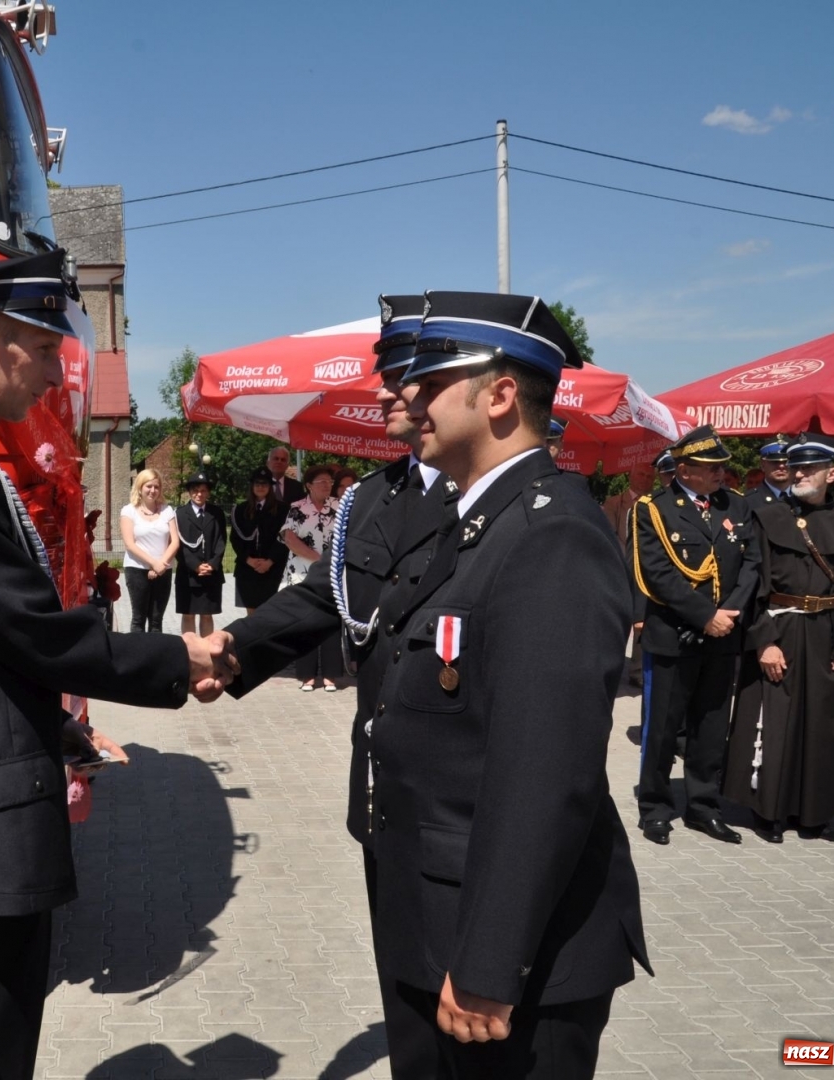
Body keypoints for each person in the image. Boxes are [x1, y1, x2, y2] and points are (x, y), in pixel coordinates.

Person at [0, 247, 218, 1080]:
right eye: (44, 348)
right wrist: (177, 656)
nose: (56, 371)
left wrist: (57, 730)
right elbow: (31, 634)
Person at [344, 291, 650, 1077]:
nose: (407, 395)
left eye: (430, 379)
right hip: (435, 917)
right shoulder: (471, 520)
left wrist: (487, 965)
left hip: (507, 960)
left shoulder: (551, 535)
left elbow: (543, 776)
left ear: (501, 395)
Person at [201, 294, 465, 1075]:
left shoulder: (511, 504)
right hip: (387, 787)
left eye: (404, 379)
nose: (384, 394)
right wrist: (225, 650)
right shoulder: (373, 497)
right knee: (408, 995)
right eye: (385, 378)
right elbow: (325, 599)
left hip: (467, 805)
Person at [723, 433, 834, 843]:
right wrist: (764, 641)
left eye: (809, 467)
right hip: (780, 630)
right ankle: (769, 813)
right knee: (774, 723)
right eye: (796, 466)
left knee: (823, 725)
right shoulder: (767, 517)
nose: (799, 473)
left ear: (832, 472)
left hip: (827, 634)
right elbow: (753, 585)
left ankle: (815, 814)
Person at [629, 425, 758, 846]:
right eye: (711, 467)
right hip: (674, 636)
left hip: (723, 636)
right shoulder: (654, 508)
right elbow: (656, 573)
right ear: (685, 469)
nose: (721, 473)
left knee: (710, 726)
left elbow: (752, 563)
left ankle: (703, 806)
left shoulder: (736, 506)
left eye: (722, 466)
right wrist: (705, 616)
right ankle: (655, 807)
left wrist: (728, 615)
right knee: (663, 729)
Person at [281, 463, 343, 691]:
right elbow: (290, 539)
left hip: (333, 572)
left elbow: (347, 535)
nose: (328, 485)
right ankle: (307, 675)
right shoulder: (297, 508)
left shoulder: (339, 506)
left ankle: (330, 676)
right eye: (322, 482)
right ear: (308, 485)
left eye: (330, 481)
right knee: (305, 622)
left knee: (331, 621)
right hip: (302, 572)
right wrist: (318, 559)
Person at [119, 468, 180, 632]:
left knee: (156, 620)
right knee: (138, 619)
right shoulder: (129, 511)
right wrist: (153, 563)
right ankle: (137, 655)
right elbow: (130, 544)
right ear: (140, 487)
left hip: (163, 570)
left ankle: (156, 656)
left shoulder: (167, 510)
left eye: (156, 487)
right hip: (137, 569)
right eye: (148, 486)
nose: (153, 490)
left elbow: (175, 541)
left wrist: (162, 564)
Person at [175, 473, 228, 638]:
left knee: (207, 614)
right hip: (188, 573)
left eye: (203, 491)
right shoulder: (180, 514)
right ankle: (190, 651)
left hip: (211, 573)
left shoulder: (216, 513)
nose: (199, 494)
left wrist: (212, 564)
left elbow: (221, 540)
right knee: (188, 613)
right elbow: (178, 545)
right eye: (196, 490)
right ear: (190, 492)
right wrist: (195, 565)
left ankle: (206, 650)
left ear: (208, 493)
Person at [230, 466, 287, 615]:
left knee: (272, 612)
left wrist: (270, 561)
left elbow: (284, 538)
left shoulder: (282, 509)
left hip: (272, 568)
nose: (260, 487)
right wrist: (248, 559)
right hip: (248, 568)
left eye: (265, 484)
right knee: (252, 613)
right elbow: (235, 539)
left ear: (270, 487)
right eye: (257, 484)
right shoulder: (241, 509)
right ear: (252, 486)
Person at [601, 458, 657, 547]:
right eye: (641, 474)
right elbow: (609, 535)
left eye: (649, 476)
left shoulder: (657, 504)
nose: (645, 479)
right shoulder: (613, 504)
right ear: (630, 476)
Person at [745, 439, 791, 510]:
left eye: (786, 461)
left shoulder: (804, 497)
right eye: (775, 462)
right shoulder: (748, 501)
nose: (781, 466)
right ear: (763, 465)